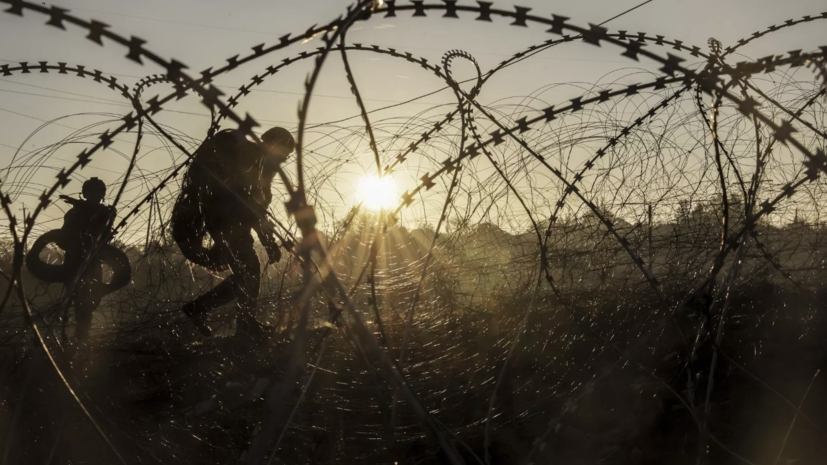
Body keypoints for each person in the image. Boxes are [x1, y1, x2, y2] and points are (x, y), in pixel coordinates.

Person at [179, 127, 294, 338]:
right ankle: (242, 324)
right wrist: (267, 241)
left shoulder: (254, 158)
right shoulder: (255, 161)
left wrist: (267, 238)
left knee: (246, 273)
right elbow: (256, 207)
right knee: (249, 271)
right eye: (284, 153)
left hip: (227, 222)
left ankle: (204, 310)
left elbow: (257, 208)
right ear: (274, 146)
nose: (284, 159)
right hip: (228, 223)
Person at [56, 177, 116, 341]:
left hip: (93, 260)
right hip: (75, 260)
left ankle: (81, 335)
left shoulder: (106, 212)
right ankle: (79, 336)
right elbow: (63, 239)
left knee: (91, 299)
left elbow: (104, 231)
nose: (95, 195)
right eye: (91, 191)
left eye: (98, 191)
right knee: (78, 299)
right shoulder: (74, 213)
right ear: (85, 193)